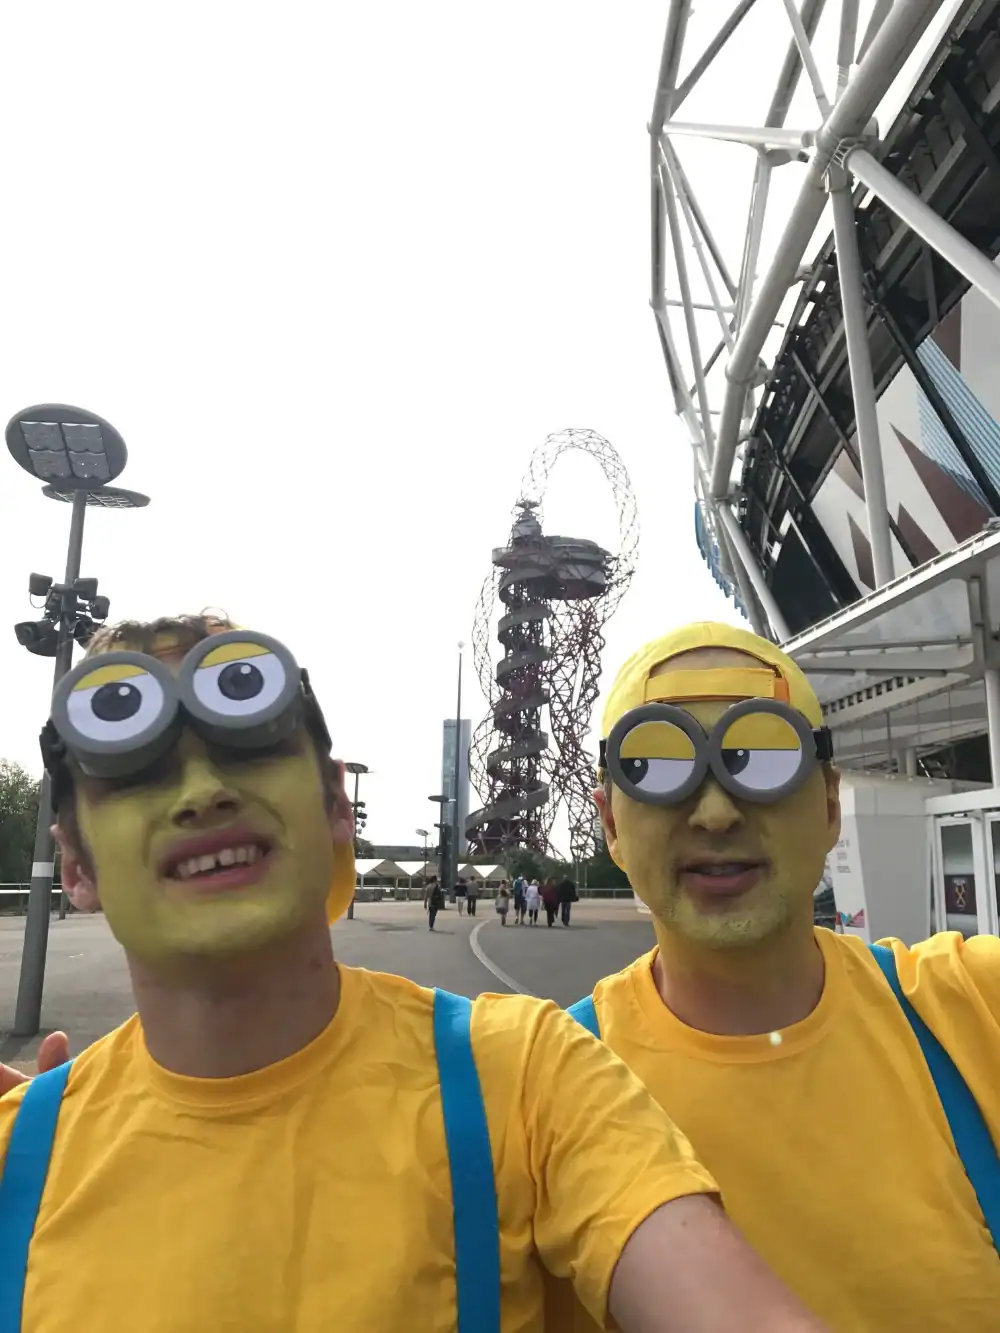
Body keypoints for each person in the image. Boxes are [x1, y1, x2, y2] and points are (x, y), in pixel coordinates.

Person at [0, 612, 831, 1332]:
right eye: (139, 770)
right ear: (73, 862)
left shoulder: (523, 1078)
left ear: (336, 807)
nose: (203, 792)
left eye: (246, 747)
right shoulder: (20, 1162)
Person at [554, 620, 1000, 1332]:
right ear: (610, 822)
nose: (716, 811)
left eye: (760, 757)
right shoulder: (542, 1095)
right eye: (660, 766)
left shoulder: (974, 1005)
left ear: (829, 803)